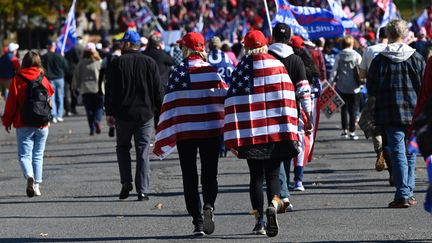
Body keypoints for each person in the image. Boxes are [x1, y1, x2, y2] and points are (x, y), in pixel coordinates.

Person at [153, 32, 228, 237]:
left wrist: (165, 129)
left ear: (186, 49)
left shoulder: (178, 72)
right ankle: (209, 205)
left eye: (181, 47)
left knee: (189, 176)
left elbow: (170, 104)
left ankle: (197, 221)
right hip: (210, 131)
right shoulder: (212, 72)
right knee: (209, 174)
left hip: (186, 132)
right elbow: (223, 98)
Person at [224, 30, 297, 237]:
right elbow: (288, 97)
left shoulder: (242, 69)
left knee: (255, 178)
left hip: (251, 133)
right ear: (265, 45)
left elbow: (232, 101)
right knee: (273, 174)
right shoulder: (277, 66)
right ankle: (274, 203)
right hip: (276, 132)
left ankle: (259, 222)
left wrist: (233, 137)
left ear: (246, 47)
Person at [367, 19, 425, 208]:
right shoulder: (417, 58)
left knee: (398, 152)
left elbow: (371, 87)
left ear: (389, 34)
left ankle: (402, 194)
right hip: (414, 110)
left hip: (389, 110)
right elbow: (424, 86)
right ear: (405, 34)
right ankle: (407, 191)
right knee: (409, 153)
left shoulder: (380, 59)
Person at [105, 30, 164, 201]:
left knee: (122, 148)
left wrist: (109, 112)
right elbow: (158, 91)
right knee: (143, 151)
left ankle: (126, 181)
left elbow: (109, 91)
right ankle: (143, 190)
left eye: (122, 43)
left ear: (128, 44)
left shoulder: (116, 63)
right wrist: (160, 115)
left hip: (122, 114)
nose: (120, 45)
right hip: (145, 114)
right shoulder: (149, 62)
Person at [268, 24, 312, 209]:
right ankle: (283, 194)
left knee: (277, 153)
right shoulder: (296, 60)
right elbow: (303, 89)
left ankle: (282, 193)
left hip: (269, 109)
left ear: (273, 36)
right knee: (286, 150)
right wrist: (308, 114)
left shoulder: (267, 57)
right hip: (291, 111)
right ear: (290, 38)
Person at [2, 50, 54, 197]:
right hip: (42, 123)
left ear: (23, 62)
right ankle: (37, 185)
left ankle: (29, 176)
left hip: (23, 122)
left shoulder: (17, 79)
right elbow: (50, 96)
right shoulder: (43, 78)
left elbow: (11, 103)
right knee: (38, 155)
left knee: (25, 155)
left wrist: (7, 121)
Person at [358, 27, 392, 178]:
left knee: (372, 124)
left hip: (374, 93)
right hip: (392, 93)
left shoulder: (370, 50)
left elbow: (362, 74)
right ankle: (392, 165)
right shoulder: (395, 50)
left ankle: (379, 149)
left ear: (379, 36)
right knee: (390, 126)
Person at [329, 35, 362, 140]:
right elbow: (361, 70)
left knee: (344, 108)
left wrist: (330, 82)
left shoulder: (338, 55)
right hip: (354, 87)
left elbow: (334, 71)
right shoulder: (357, 55)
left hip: (341, 85)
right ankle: (352, 131)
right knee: (353, 109)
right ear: (351, 43)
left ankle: (344, 131)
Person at [72, 43, 103, 136]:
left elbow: (76, 76)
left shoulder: (81, 63)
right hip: (98, 89)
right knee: (99, 107)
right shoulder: (99, 62)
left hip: (85, 89)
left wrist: (74, 87)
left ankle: (92, 129)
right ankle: (97, 120)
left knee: (89, 110)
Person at [42, 40, 69, 124]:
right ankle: (59, 115)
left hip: (49, 79)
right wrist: (63, 58)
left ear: (48, 47)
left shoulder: (44, 57)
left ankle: (53, 115)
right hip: (59, 78)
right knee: (60, 97)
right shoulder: (59, 56)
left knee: (51, 98)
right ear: (54, 47)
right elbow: (66, 66)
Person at [64, 37, 84, 116]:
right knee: (74, 90)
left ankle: (68, 109)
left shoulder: (64, 49)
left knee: (67, 92)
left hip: (66, 72)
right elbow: (78, 60)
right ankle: (72, 108)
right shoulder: (75, 48)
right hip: (73, 72)